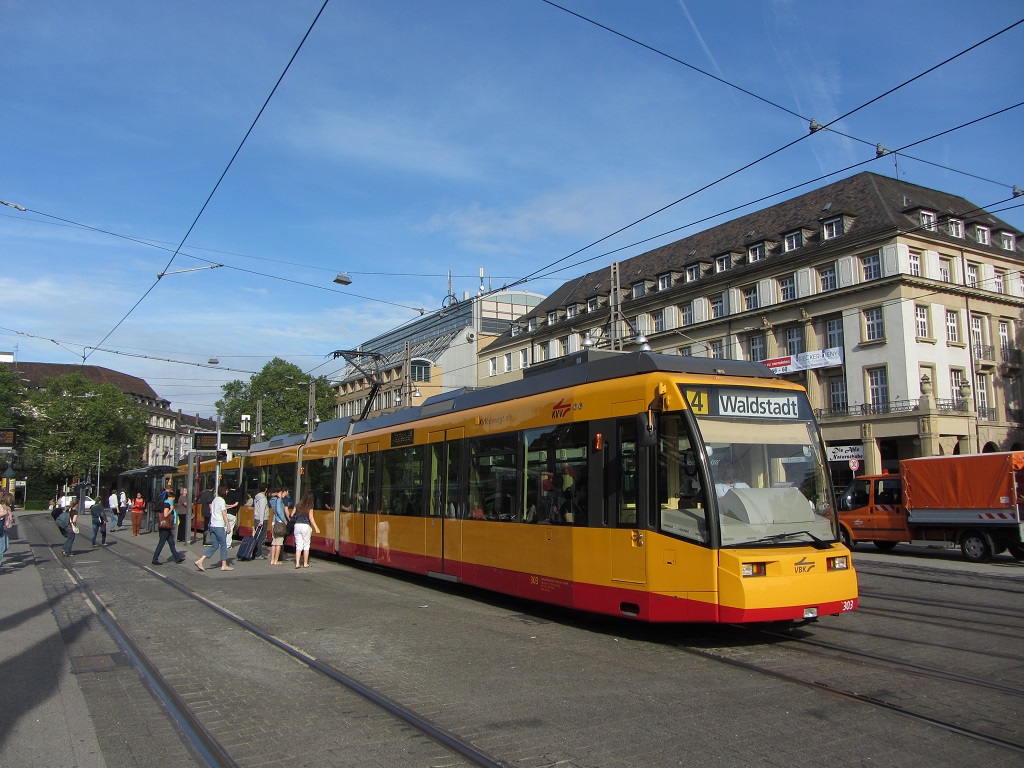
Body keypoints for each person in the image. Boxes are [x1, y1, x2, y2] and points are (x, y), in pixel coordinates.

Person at [194, 489, 233, 572]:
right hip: (219, 526)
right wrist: (228, 526)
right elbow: (224, 514)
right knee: (223, 545)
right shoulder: (221, 501)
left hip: (213, 525)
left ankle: (200, 561)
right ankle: (224, 565)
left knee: (214, 546)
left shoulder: (215, 499)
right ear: (224, 492)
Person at [151, 499, 186, 565]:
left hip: (165, 527)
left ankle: (177, 558)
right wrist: (171, 509)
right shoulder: (167, 505)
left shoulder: (163, 504)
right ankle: (154, 559)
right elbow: (166, 515)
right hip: (165, 527)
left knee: (171, 543)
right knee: (161, 544)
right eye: (173, 497)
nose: (173, 499)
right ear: (171, 497)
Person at [290, 491, 319, 569]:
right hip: (306, 526)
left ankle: (297, 563)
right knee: (306, 545)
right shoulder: (310, 506)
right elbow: (311, 518)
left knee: (298, 545)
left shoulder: (298, 505)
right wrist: (316, 528)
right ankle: (305, 563)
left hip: (297, 526)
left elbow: (292, 515)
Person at [269, 488, 288, 565]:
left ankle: (272, 560)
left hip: (274, 522)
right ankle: (276, 560)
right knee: (279, 543)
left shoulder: (274, 500)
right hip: (279, 523)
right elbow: (280, 512)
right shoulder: (280, 500)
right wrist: (285, 520)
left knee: (274, 542)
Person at [252, 484, 269, 559]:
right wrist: (261, 521)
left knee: (257, 537)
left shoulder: (256, 497)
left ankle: (253, 552)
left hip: (257, 518)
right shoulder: (263, 498)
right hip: (262, 520)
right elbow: (262, 510)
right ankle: (258, 554)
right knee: (261, 537)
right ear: (265, 489)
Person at [223, 481, 241, 548]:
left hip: (225, 513)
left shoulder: (226, 493)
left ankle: (222, 543)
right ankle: (228, 544)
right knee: (230, 529)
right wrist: (231, 506)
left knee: (224, 528)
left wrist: (227, 506)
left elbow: (224, 504)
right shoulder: (237, 494)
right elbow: (236, 504)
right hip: (232, 513)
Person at [0, 491, 13, 572]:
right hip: (1, 529)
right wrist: (4, 512)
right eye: (10, 500)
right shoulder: (1, 507)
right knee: (2, 548)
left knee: (6, 547)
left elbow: (10, 519)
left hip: (4, 529)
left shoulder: (7, 508)